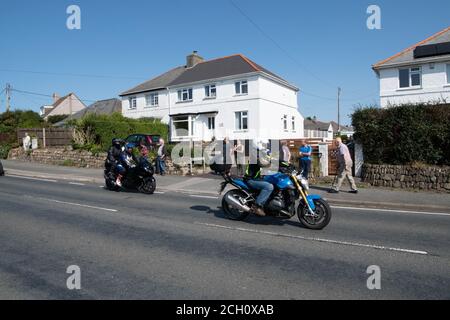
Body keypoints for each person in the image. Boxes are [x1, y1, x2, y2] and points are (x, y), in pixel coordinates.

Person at [244, 139, 274, 217]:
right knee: (269, 187)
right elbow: (262, 164)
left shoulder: (259, 153)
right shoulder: (255, 154)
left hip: (257, 178)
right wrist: (271, 163)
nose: (265, 147)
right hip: (251, 179)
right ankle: (256, 206)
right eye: (264, 145)